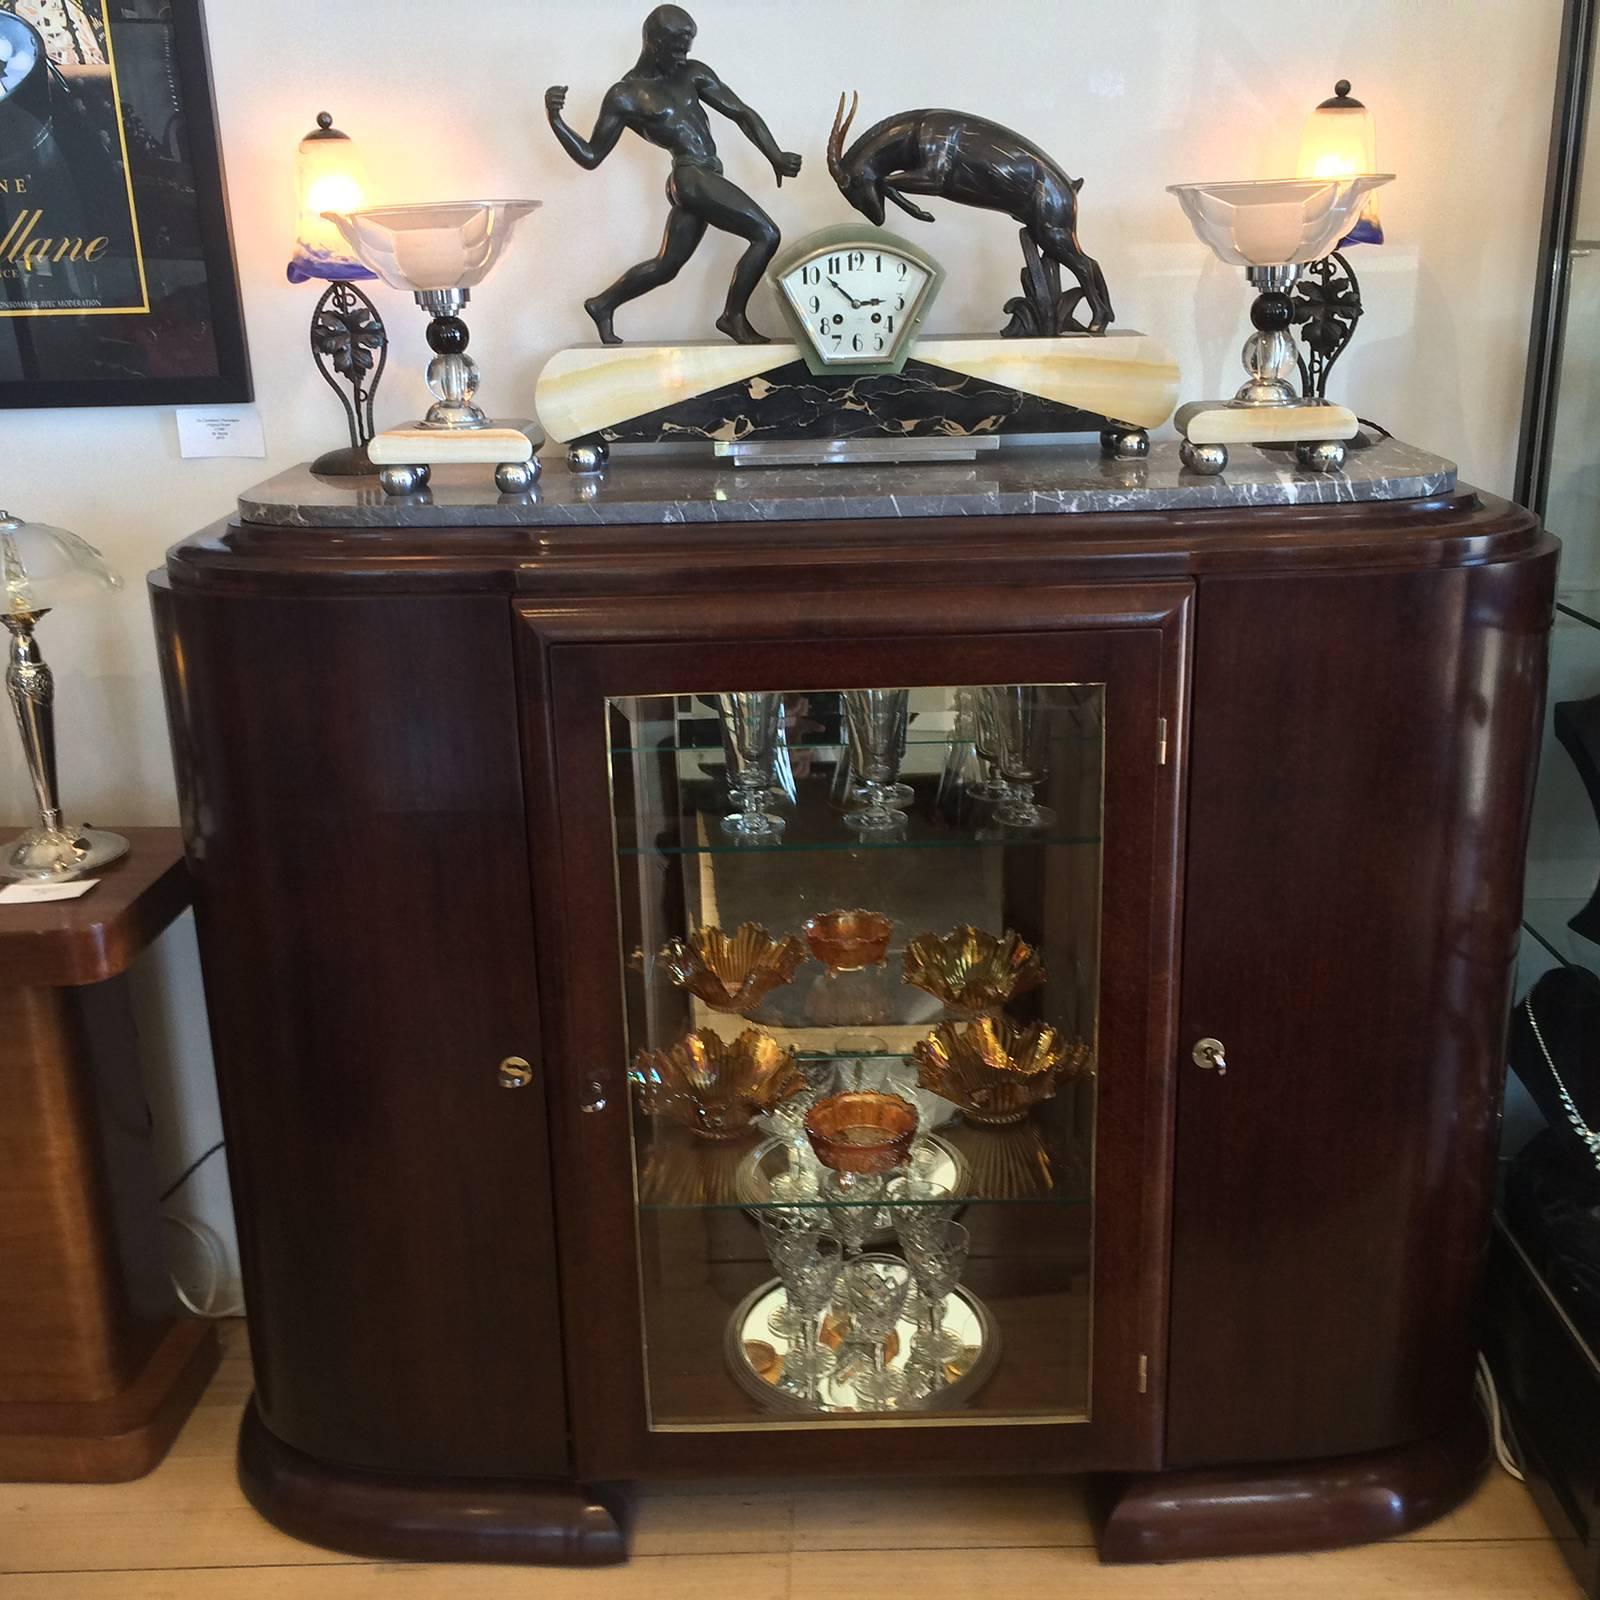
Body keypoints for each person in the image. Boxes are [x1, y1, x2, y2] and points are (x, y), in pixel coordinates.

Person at [545, 5, 801, 345]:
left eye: (688, 46)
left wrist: (775, 155)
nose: (684, 55)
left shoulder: (692, 73)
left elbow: (741, 113)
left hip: (703, 175)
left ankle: (603, 303)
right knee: (766, 234)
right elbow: (591, 156)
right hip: (690, 175)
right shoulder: (626, 95)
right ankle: (732, 317)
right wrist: (557, 122)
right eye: (677, 47)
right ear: (653, 42)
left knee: (667, 266)